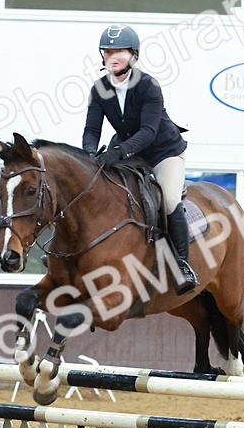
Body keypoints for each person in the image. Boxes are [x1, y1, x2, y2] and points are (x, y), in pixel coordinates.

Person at [82, 24, 197, 294]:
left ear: (133, 55)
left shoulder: (148, 86)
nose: (113, 57)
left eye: (119, 52)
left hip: (163, 150)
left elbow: (148, 131)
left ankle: (182, 265)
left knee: (168, 199)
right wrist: (88, 154)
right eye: (108, 52)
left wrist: (119, 152)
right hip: (129, 151)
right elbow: (92, 129)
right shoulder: (100, 89)